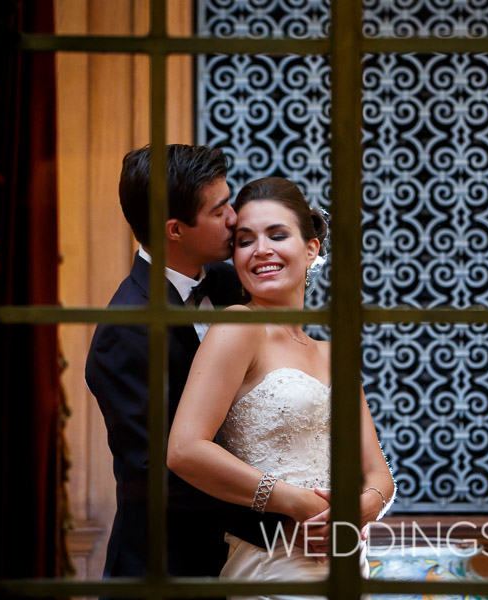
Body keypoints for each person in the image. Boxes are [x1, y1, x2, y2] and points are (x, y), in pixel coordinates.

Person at [167, 177, 395, 594]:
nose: (262, 250)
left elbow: (378, 471)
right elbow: (184, 450)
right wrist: (296, 502)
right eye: (245, 240)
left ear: (311, 250)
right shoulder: (238, 326)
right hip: (272, 565)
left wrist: (362, 506)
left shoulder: (334, 354)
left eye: (277, 234)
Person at [84, 145, 286, 580]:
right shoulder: (124, 333)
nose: (235, 218)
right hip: (170, 568)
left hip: (253, 560)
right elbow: (160, 477)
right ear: (175, 230)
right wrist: (282, 516)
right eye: (219, 211)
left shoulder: (234, 282)